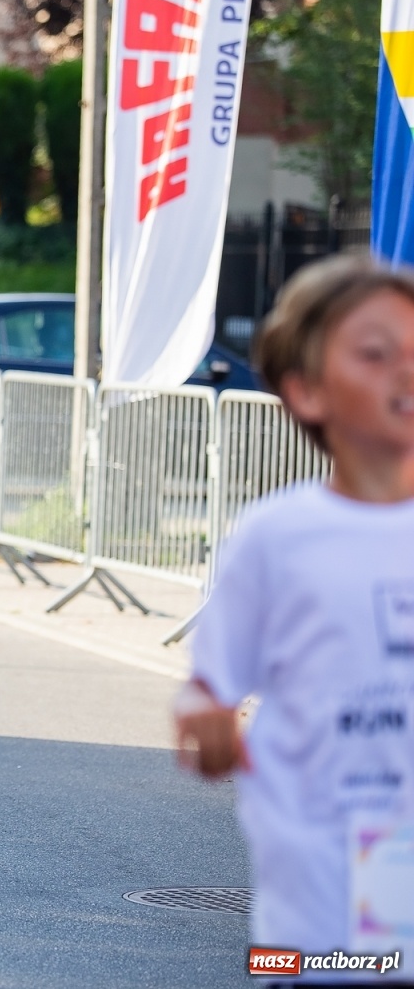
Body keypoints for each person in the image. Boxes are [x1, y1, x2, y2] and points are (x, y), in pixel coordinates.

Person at [174, 256, 414, 978]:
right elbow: (208, 688)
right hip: (319, 894)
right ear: (306, 391)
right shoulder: (275, 537)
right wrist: (205, 726)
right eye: (377, 354)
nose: (406, 369)